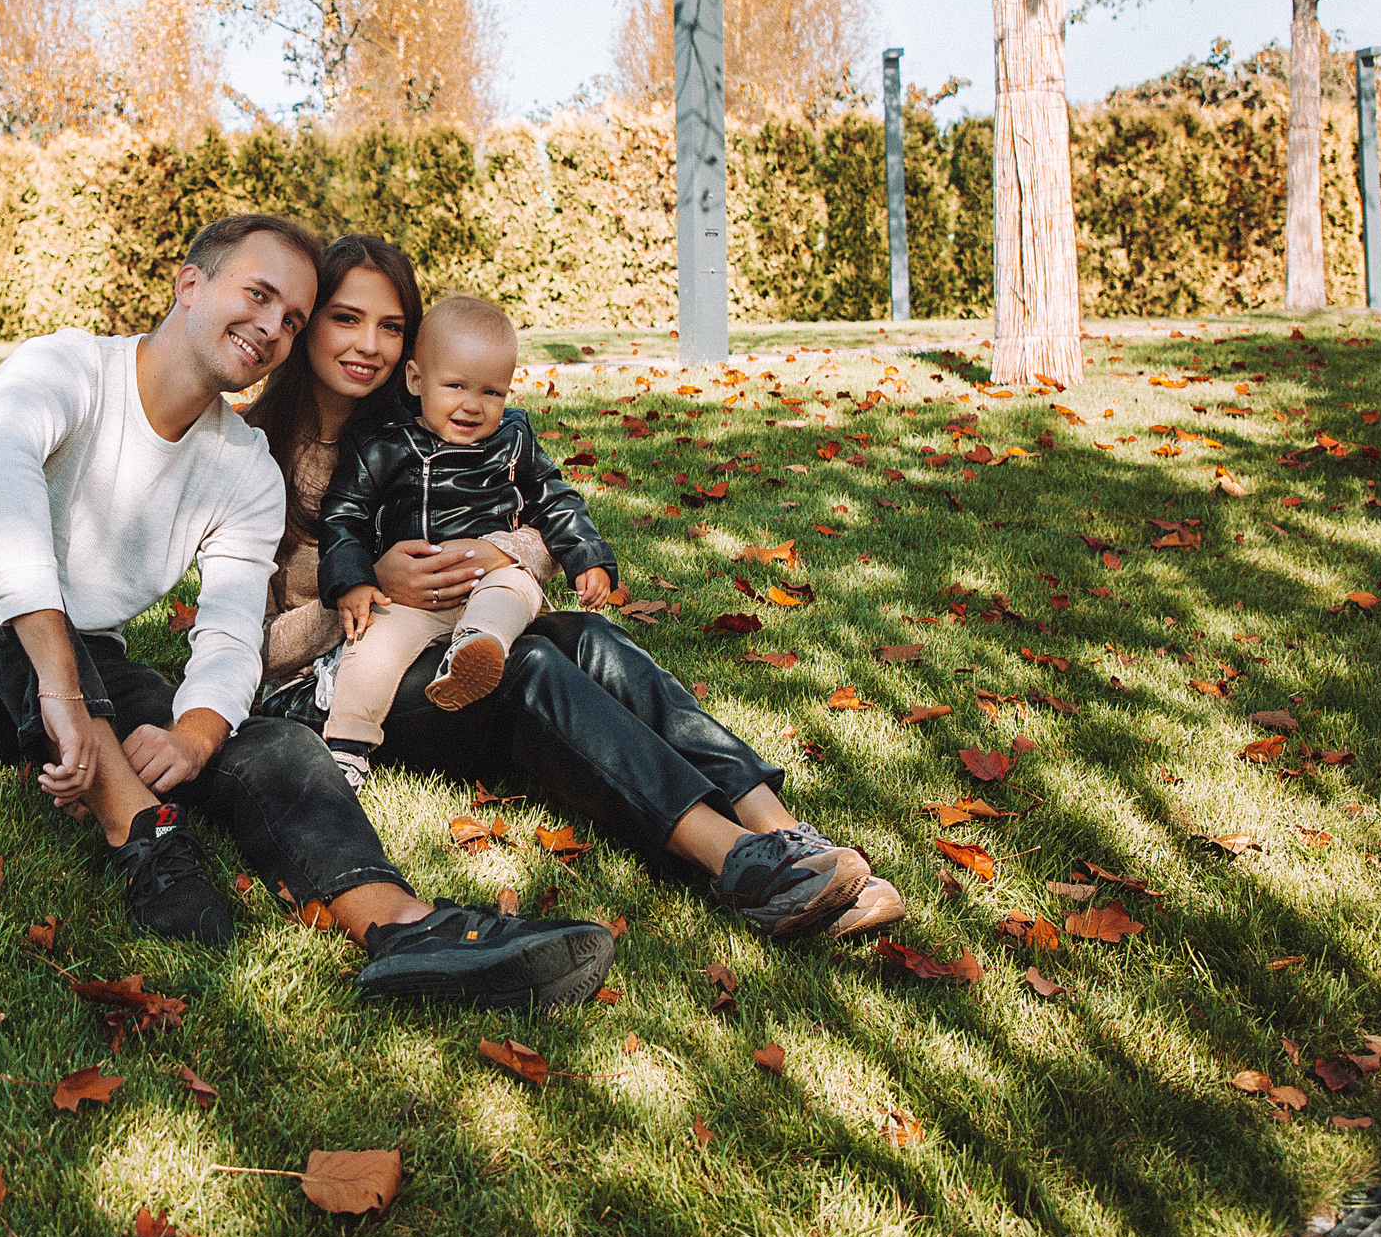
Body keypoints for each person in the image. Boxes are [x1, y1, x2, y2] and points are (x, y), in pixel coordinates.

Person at [0, 212, 619, 1006]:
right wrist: (60, 685)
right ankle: (142, 835)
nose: (271, 328)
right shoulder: (64, 366)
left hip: (85, 666)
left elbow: (230, 631)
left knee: (273, 739)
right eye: (257, 295)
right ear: (190, 283)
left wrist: (196, 733)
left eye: (292, 319)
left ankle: (402, 926)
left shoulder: (243, 466)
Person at [245, 234, 907, 942]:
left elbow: (533, 526)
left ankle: (783, 831)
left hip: (455, 632)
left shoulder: (423, 417)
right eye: (345, 318)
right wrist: (378, 585)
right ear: (308, 320)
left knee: (587, 636)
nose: (367, 344)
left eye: (390, 325)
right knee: (530, 664)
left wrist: (496, 550)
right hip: (339, 685)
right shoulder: (259, 450)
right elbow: (254, 646)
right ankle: (737, 860)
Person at [316, 294, 616, 788]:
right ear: (416, 380)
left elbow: (553, 497)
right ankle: (347, 744)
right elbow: (344, 516)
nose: (473, 406)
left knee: (513, 588)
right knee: (370, 650)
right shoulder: (383, 447)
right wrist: (353, 580)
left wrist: (587, 557)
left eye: (492, 392)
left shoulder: (513, 438)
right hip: (411, 594)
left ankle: (477, 650)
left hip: (489, 578)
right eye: (454, 386)